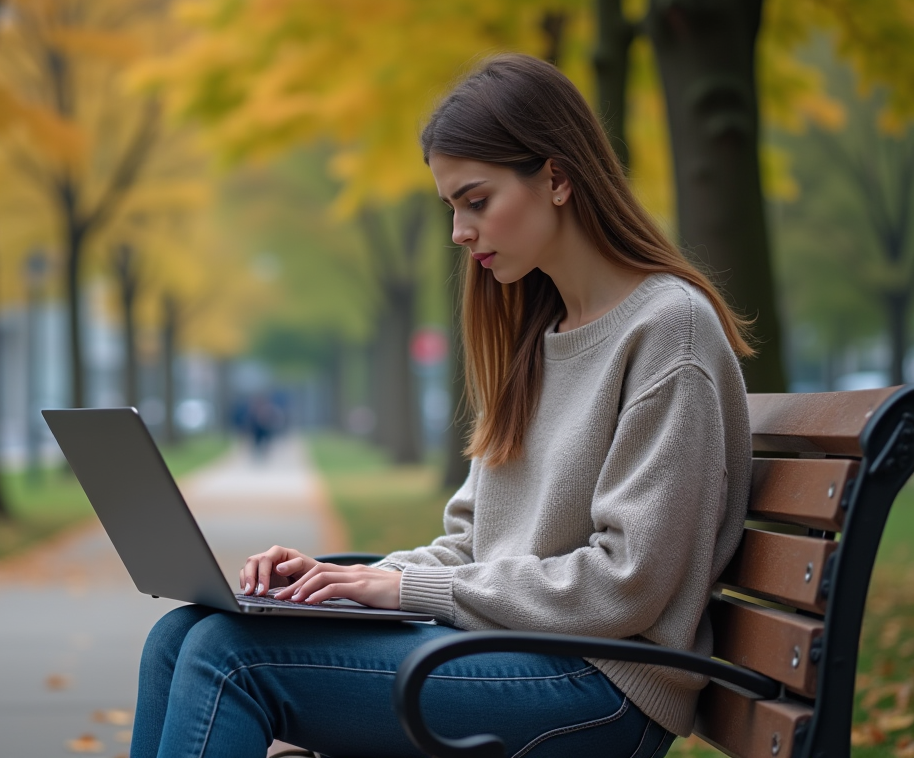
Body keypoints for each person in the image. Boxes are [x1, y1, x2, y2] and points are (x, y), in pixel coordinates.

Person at [129, 54, 753, 758]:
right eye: (451, 206)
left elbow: (626, 583)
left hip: (601, 686)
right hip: (517, 653)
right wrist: (348, 584)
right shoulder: (535, 336)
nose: (460, 231)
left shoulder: (669, 330)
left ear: (556, 177)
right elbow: (471, 543)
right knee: (177, 636)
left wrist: (405, 592)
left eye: (476, 201)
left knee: (227, 656)